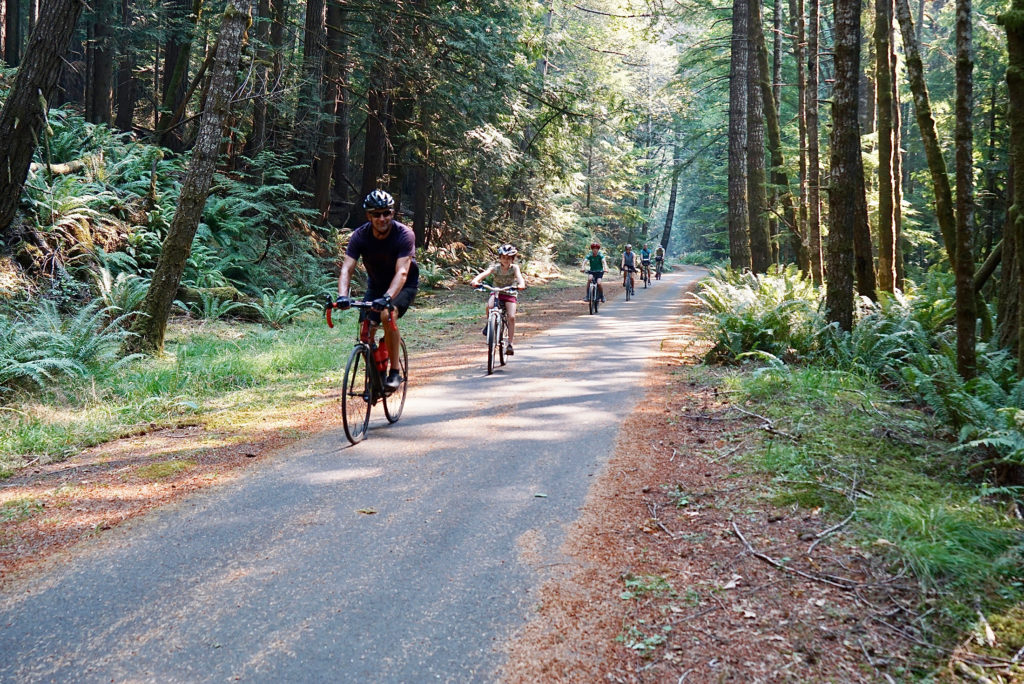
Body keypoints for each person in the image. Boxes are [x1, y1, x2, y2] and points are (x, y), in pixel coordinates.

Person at [336, 189, 419, 392]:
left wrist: (388, 297)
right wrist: (342, 296)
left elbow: (401, 273)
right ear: (368, 216)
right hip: (376, 285)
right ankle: (376, 374)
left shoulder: (404, 234)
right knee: (366, 330)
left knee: (386, 314)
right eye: (376, 214)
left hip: (403, 286)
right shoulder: (360, 236)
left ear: (392, 213)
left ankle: (394, 371)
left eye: (386, 213)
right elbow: (347, 268)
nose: (382, 218)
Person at [470, 244, 527, 355]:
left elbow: (520, 277)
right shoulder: (495, 268)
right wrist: (475, 281)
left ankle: (510, 344)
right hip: (496, 292)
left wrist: (521, 284)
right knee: (489, 306)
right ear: (500, 258)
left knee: (511, 317)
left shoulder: (514, 268)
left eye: (508, 258)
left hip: (510, 293)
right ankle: (489, 323)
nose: (505, 260)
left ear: (512, 259)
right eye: (503, 258)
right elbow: (484, 274)